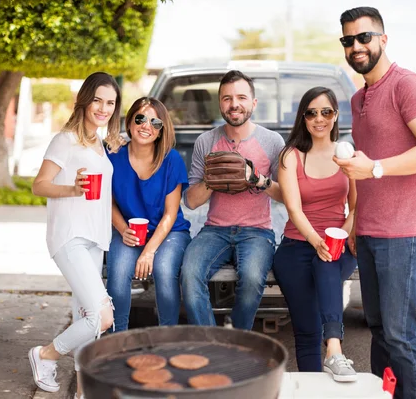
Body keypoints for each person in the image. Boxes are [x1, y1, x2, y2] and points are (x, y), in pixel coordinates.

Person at [335, 7, 416, 399]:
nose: (356, 46)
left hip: (404, 235)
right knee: (378, 330)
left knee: (400, 336)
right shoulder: (357, 98)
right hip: (368, 232)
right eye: (348, 40)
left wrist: (377, 168)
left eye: (364, 37)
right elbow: (362, 170)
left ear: (383, 39)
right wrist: (355, 221)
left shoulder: (407, 86)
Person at [29, 71, 123, 399]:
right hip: (69, 238)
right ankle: (44, 355)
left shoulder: (98, 140)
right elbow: (38, 184)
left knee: (86, 316)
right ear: (84, 100)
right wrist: (71, 188)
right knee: (101, 316)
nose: (103, 107)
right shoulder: (65, 139)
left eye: (110, 102)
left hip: (95, 239)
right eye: (97, 100)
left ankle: (83, 393)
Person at [181, 70, 285, 330]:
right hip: (215, 229)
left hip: (257, 231)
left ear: (253, 103)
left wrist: (256, 179)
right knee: (189, 274)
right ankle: (213, 345)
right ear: (220, 103)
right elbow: (191, 202)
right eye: (227, 98)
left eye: (241, 97)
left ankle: (238, 340)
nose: (234, 104)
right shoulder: (206, 141)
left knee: (251, 279)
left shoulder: (272, 141)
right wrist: (212, 179)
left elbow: (285, 196)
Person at [273, 86, 358, 381]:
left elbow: (356, 205)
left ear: (335, 116)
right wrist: (317, 240)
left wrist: (343, 233)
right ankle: (315, 386)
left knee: (326, 262)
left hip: (338, 243)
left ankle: (334, 348)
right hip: (296, 245)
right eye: (311, 112)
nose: (319, 119)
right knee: (306, 329)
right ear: (303, 118)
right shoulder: (291, 156)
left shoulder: (347, 154)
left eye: (326, 112)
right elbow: (294, 209)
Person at [106, 97, 191, 331]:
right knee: (118, 272)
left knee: (164, 270)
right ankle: (117, 339)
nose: (147, 126)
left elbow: (170, 214)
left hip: (169, 232)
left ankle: (167, 337)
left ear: (162, 130)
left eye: (155, 122)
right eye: (141, 118)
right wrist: (123, 230)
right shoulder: (112, 155)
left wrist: (148, 252)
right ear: (130, 121)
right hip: (128, 230)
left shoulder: (171, 159)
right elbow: (108, 203)